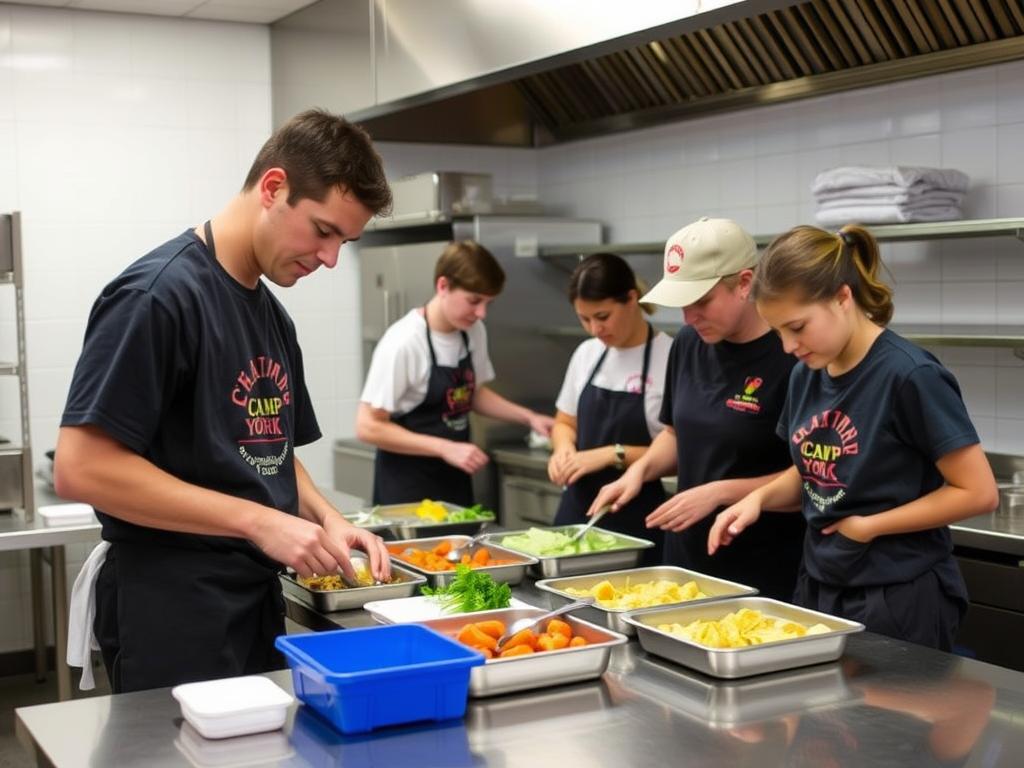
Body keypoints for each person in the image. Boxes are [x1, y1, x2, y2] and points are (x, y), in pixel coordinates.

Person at [54, 109, 394, 693]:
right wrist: (261, 521)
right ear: (273, 188)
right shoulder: (158, 297)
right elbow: (81, 469)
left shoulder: (271, 316)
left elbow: (268, 451)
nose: (331, 258)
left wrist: (328, 519)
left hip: (252, 597)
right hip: (170, 607)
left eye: (345, 241)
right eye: (322, 231)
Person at [709, 224, 999, 650]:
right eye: (778, 333)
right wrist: (759, 499)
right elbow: (814, 470)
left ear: (843, 297)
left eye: (798, 327)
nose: (789, 346)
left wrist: (869, 527)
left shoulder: (909, 376)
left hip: (898, 592)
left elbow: (978, 492)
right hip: (822, 583)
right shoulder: (805, 376)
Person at [590, 217, 806, 600]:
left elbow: (810, 478)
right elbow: (674, 434)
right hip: (687, 560)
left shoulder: (793, 355)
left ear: (744, 283)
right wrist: (637, 471)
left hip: (765, 568)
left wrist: (720, 493)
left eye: (701, 302)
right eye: (681, 305)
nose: (688, 318)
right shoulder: (689, 343)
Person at [356, 240, 554, 506]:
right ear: (443, 286)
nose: (481, 313)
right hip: (407, 489)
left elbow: (470, 394)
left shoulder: (472, 331)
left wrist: (529, 418)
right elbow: (368, 426)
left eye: (488, 303)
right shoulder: (403, 343)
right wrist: (444, 448)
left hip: (454, 480)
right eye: (474, 301)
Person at [549, 253, 671, 564]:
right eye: (584, 319)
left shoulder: (670, 356)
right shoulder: (587, 354)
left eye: (602, 317)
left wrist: (609, 454)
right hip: (577, 512)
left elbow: (682, 454)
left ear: (631, 298)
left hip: (639, 520)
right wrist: (563, 450)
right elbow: (564, 422)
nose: (594, 329)